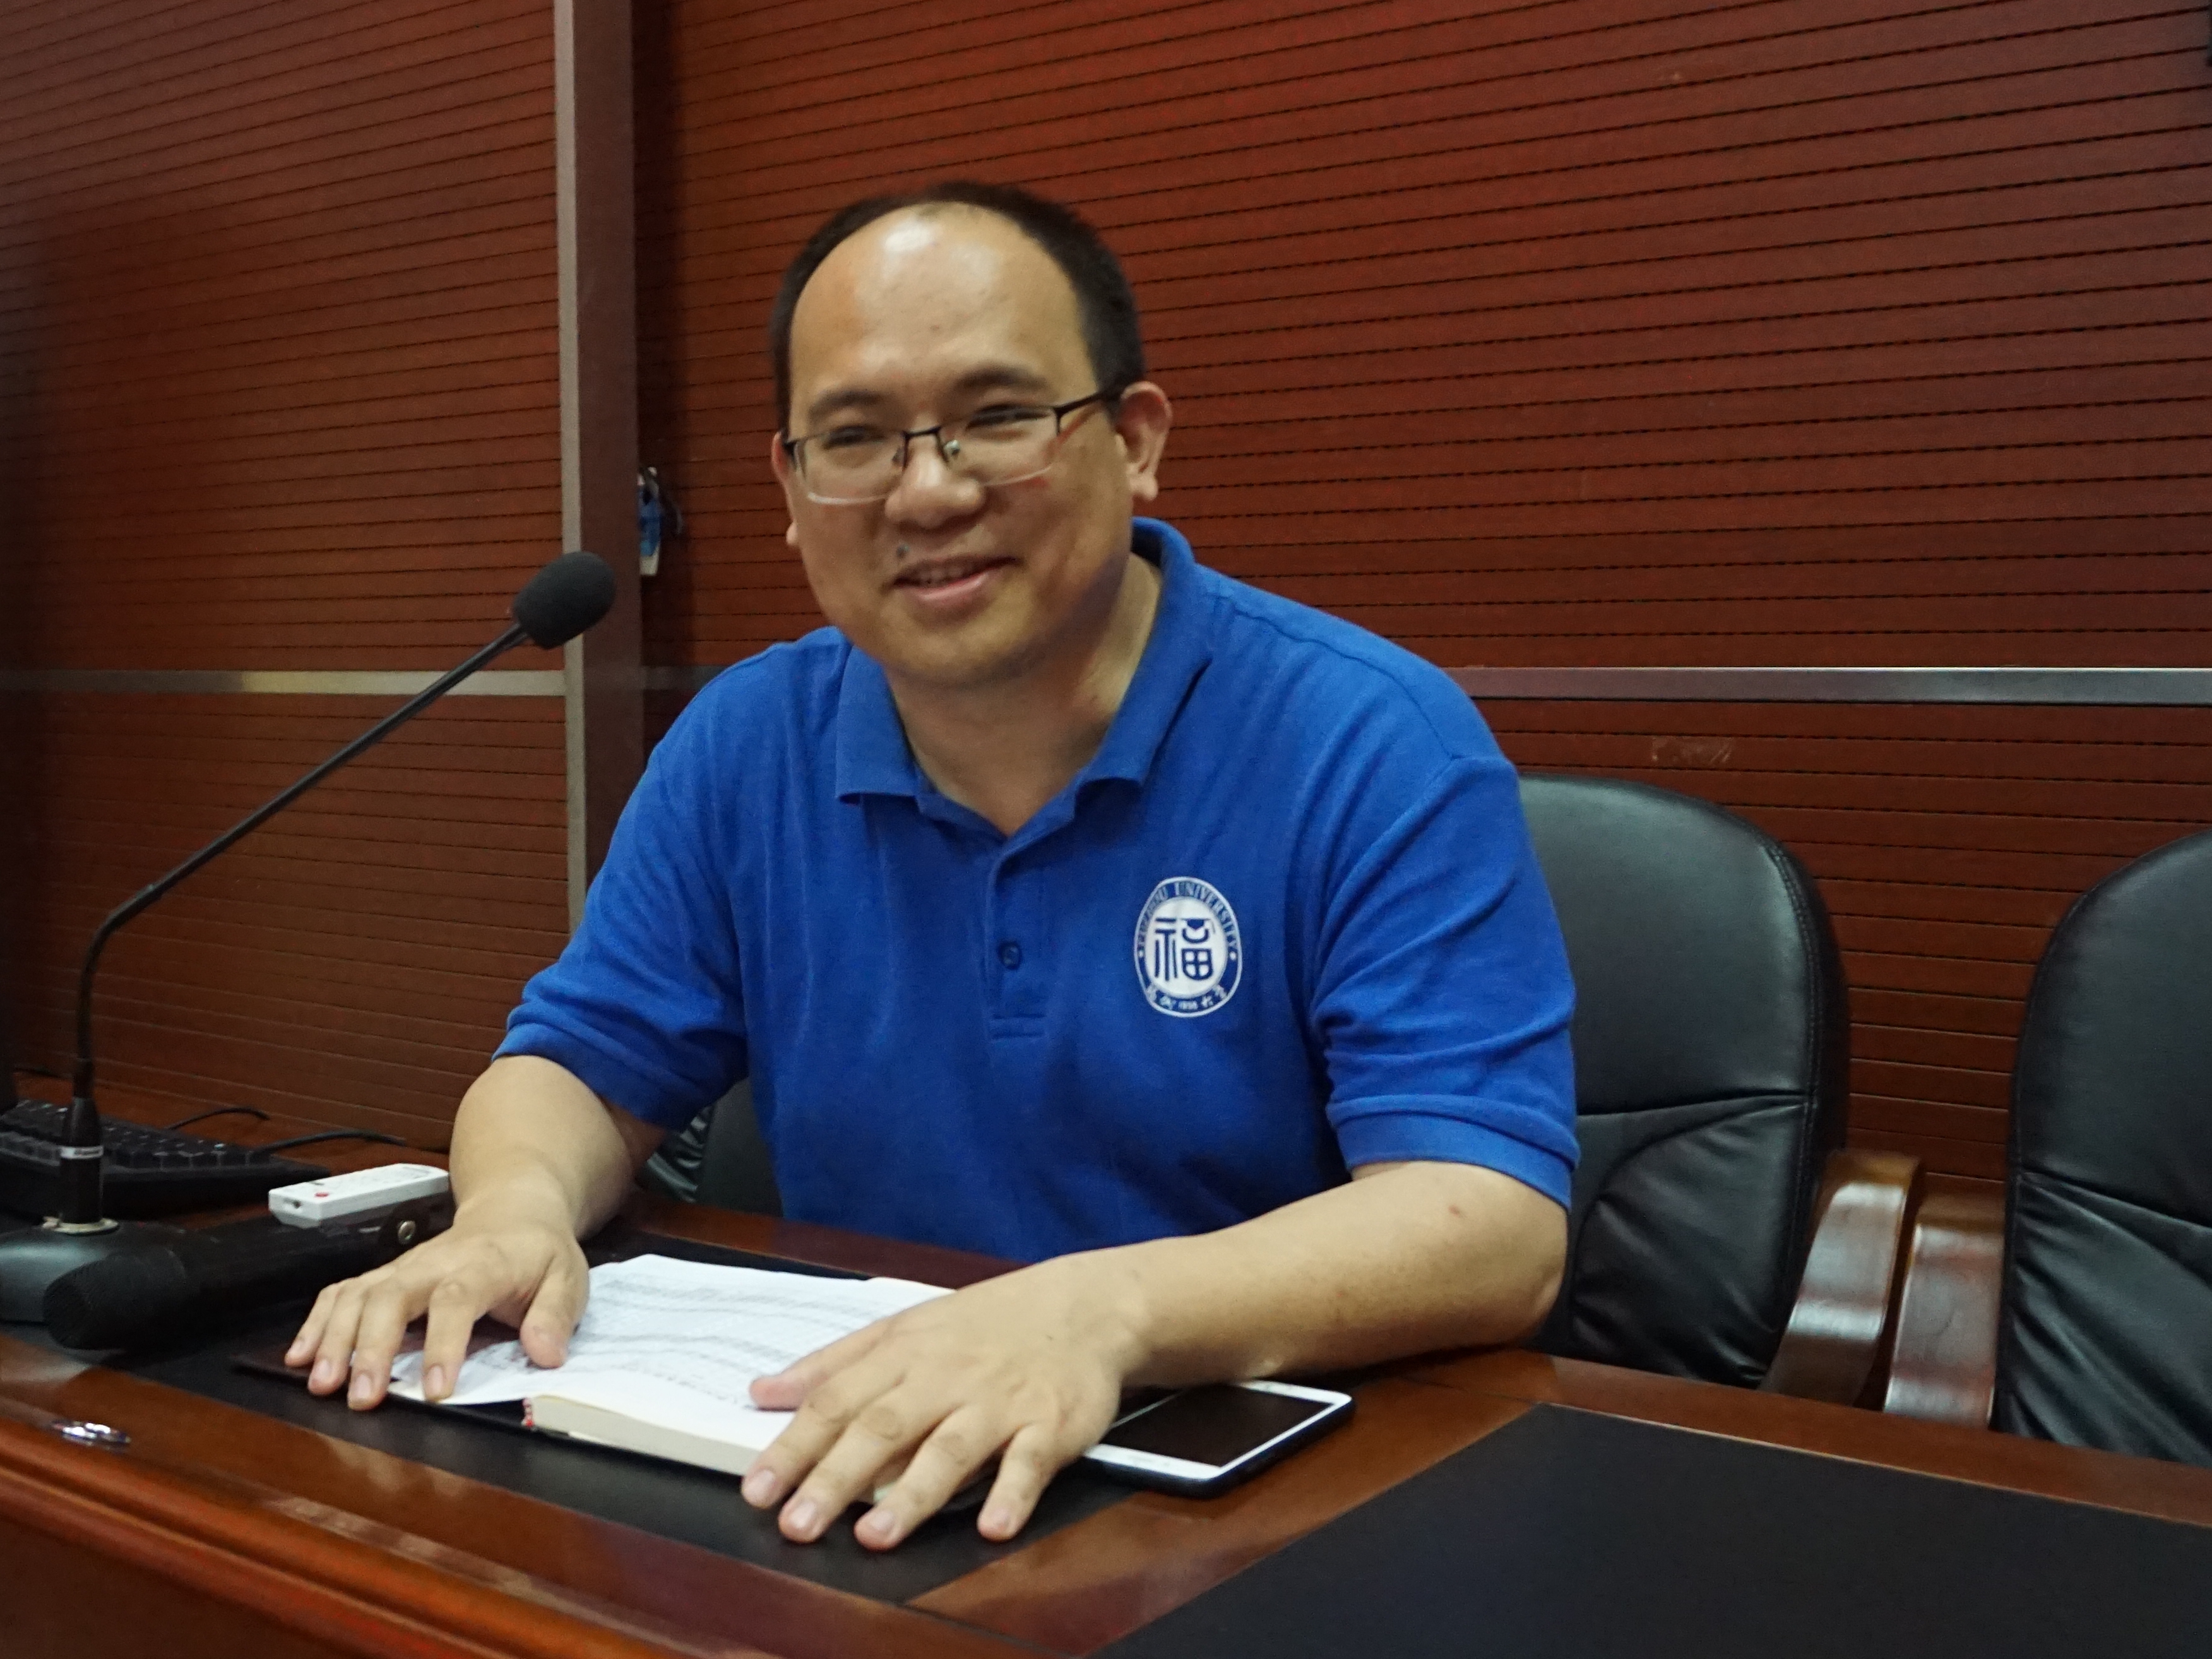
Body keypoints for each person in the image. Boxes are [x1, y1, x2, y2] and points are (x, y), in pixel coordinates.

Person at [288, 181, 1578, 1553]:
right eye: (855, 438)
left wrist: (1097, 1313)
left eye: (998, 417)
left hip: (1258, 1509)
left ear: (1136, 442)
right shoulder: (747, 742)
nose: (928, 491)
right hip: (853, 1488)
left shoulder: (1369, 739)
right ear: (793, 494)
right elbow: (577, 1068)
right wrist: (513, 1211)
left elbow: (1491, 1226)